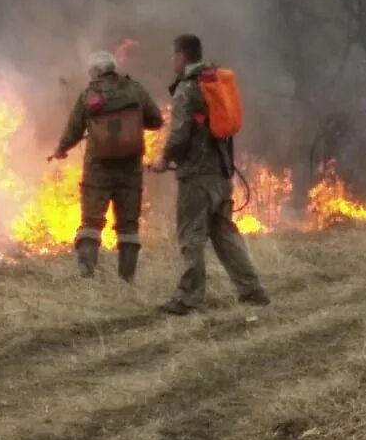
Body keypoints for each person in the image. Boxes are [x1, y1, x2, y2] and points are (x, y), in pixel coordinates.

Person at [149, 33, 270, 314]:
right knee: (225, 234)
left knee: (191, 235)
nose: (172, 60)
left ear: (180, 55)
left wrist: (164, 159)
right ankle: (252, 290)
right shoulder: (213, 81)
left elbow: (179, 133)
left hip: (197, 176)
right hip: (221, 173)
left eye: (173, 55)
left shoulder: (187, 88)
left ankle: (188, 298)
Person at [50, 50, 164, 281]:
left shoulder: (89, 94)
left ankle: (87, 275)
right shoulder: (135, 90)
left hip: (97, 170)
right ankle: (126, 279)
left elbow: (74, 130)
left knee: (91, 222)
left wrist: (61, 149)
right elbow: (156, 120)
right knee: (128, 226)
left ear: (96, 72)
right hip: (130, 170)